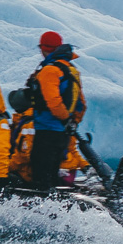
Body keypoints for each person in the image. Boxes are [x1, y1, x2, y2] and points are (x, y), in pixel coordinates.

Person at [18, 31, 86, 191]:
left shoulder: (50, 71)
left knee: (41, 173)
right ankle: (53, 206)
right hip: (62, 133)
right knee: (52, 172)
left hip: (47, 129)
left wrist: (64, 119)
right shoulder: (70, 69)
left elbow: (53, 102)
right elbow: (81, 103)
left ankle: (41, 208)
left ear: (44, 48)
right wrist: (73, 121)